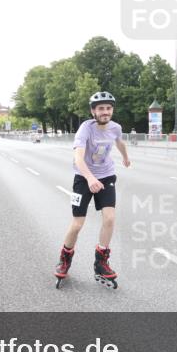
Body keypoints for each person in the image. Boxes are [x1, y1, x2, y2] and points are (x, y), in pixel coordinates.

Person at [55, 92, 131, 288]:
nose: (105, 112)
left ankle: (101, 262)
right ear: (93, 111)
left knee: (110, 218)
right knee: (77, 224)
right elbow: (78, 159)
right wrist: (89, 178)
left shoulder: (115, 127)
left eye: (108, 108)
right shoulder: (85, 129)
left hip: (106, 176)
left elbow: (119, 141)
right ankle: (65, 259)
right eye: (101, 108)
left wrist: (125, 157)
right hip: (83, 177)